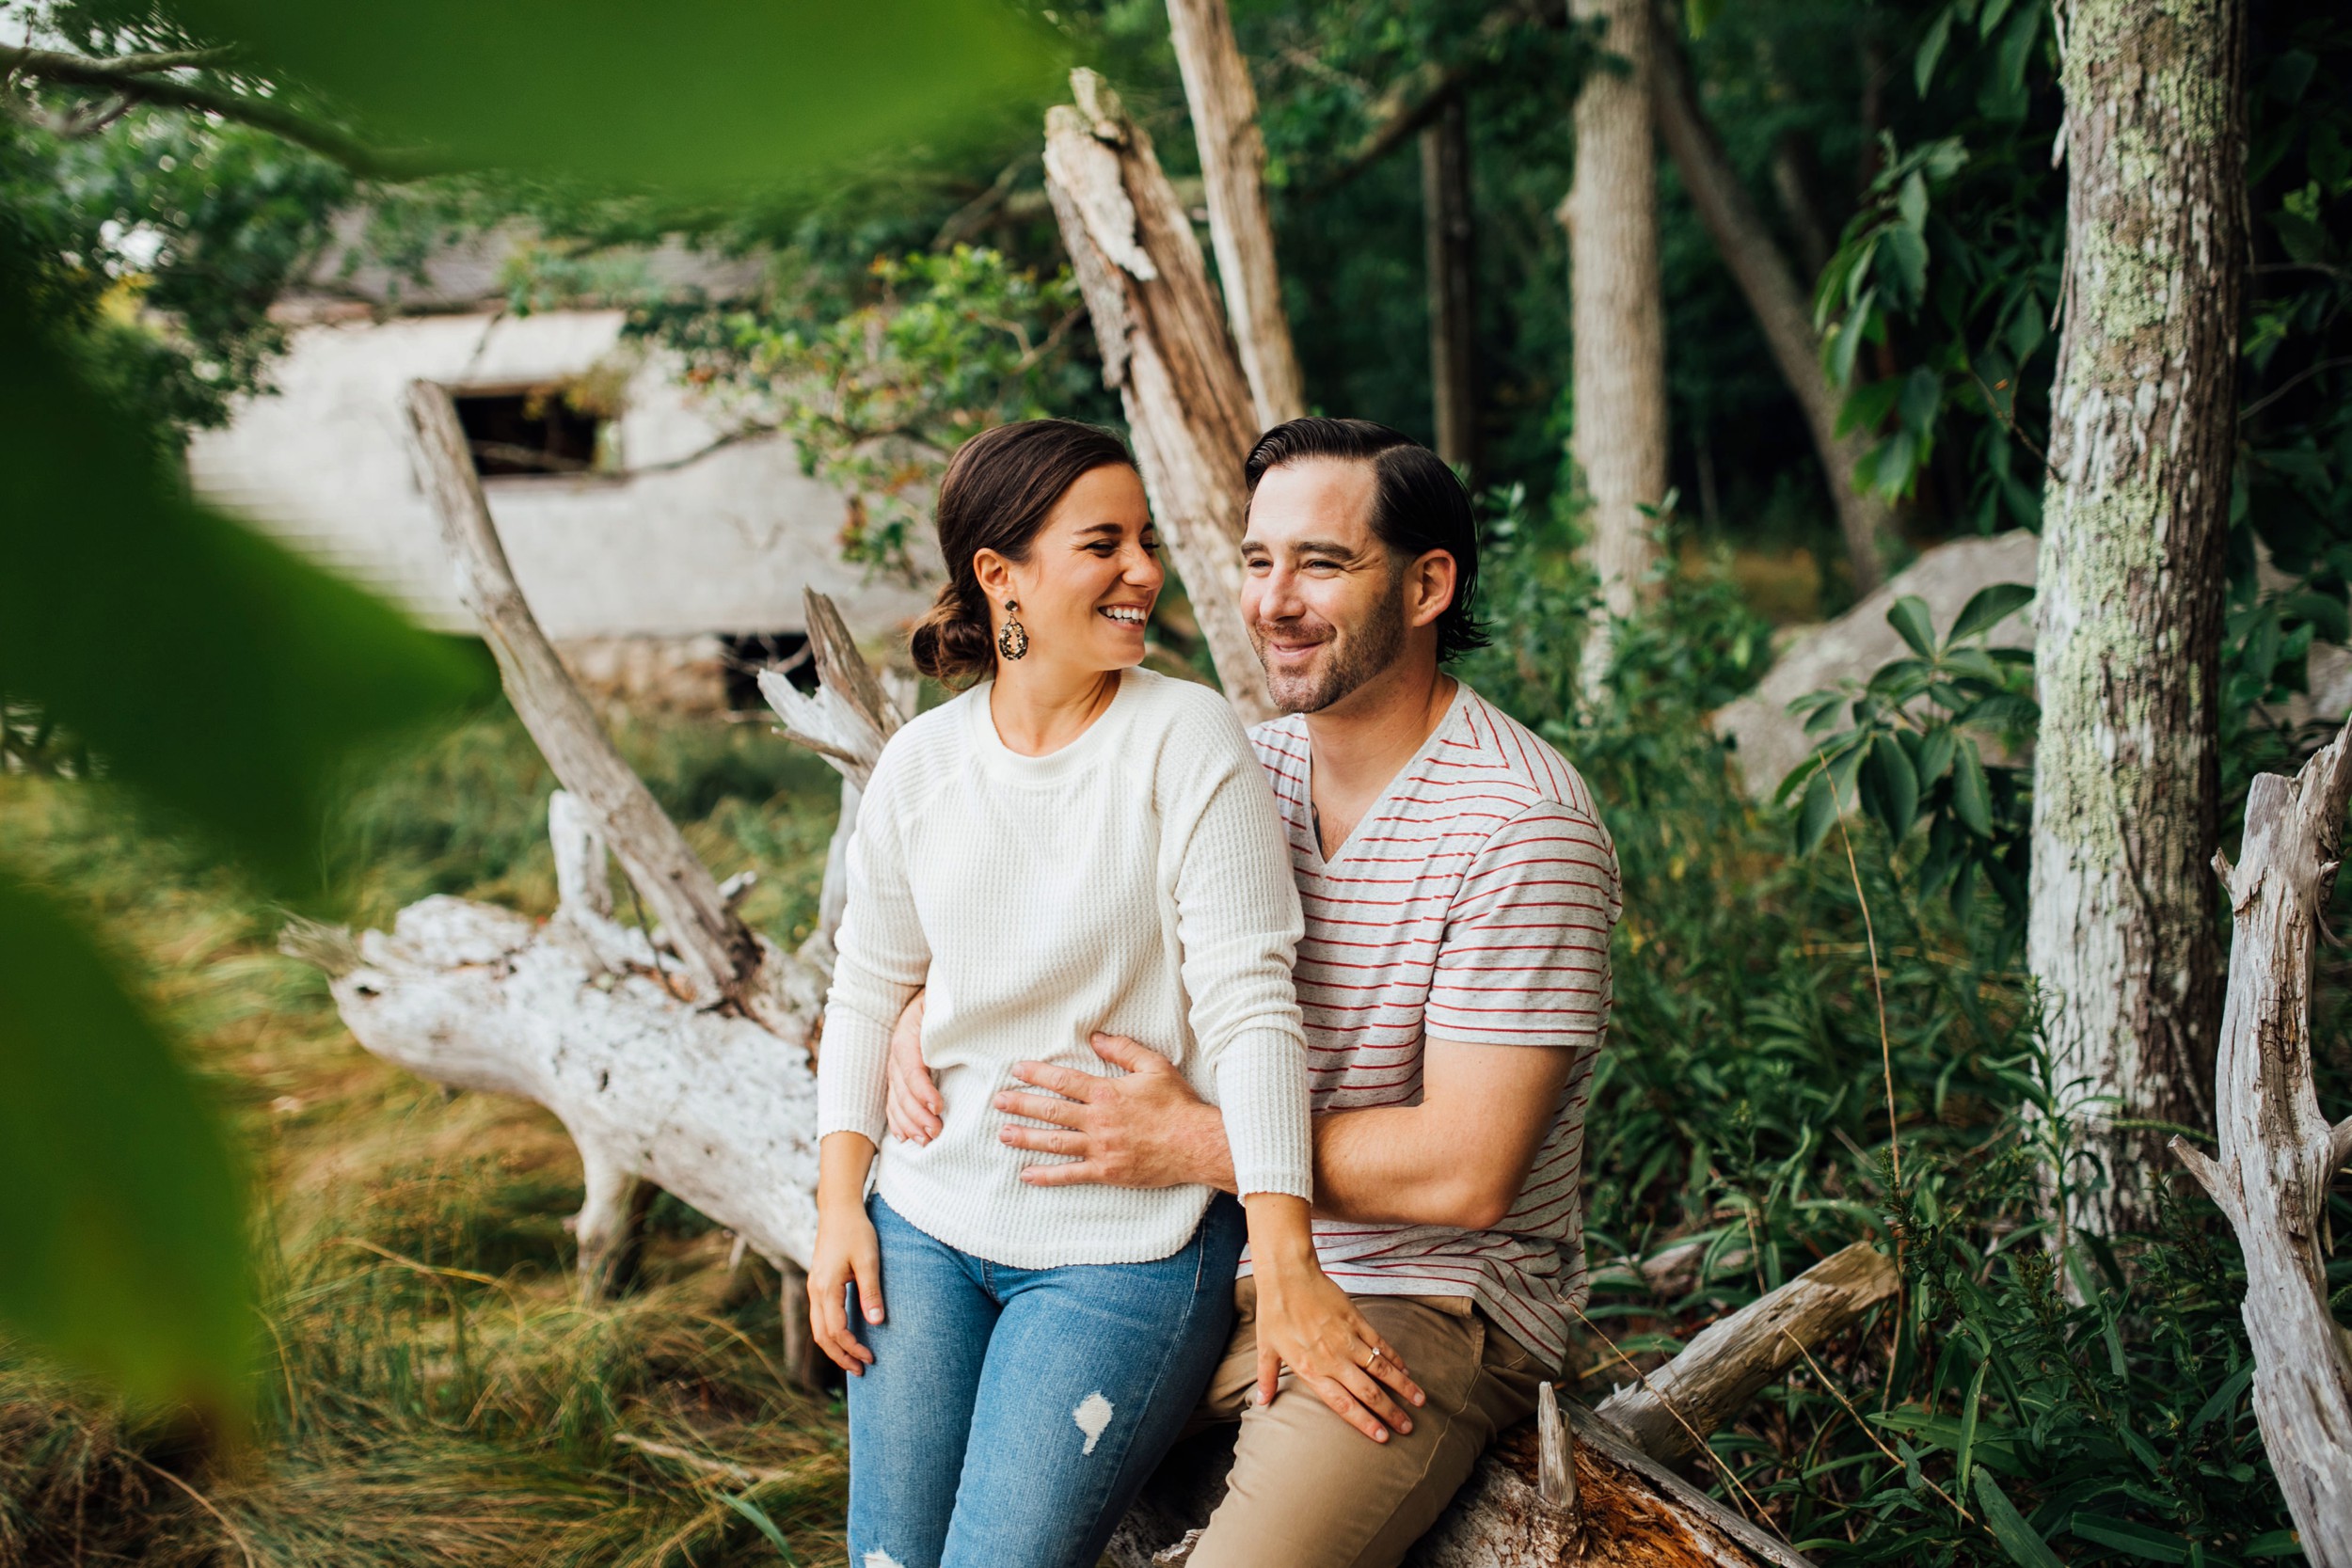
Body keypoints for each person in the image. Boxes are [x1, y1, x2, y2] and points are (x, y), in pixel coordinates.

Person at [886, 417, 1623, 1568]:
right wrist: (904, 1010)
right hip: (1189, 1252)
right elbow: (1025, 918)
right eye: (1254, 558)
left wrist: (1194, 1139)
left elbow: (1467, 1171)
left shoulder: (1520, 827)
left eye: (1321, 563)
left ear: (1429, 583)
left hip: (1419, 1298)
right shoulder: (1243, 763)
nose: (1272, 599)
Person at [807, 419, 1426, 1568]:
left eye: (1145, 539)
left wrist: (1285, 1254)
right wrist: (840, 1201)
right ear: (1002, 577)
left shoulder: (1184, 736)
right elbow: (867, 981)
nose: (1146, 570)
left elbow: (1251, 1000)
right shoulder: (923, 765)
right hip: (925, 1226)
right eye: (1105, 542)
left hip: (1125, 1253)